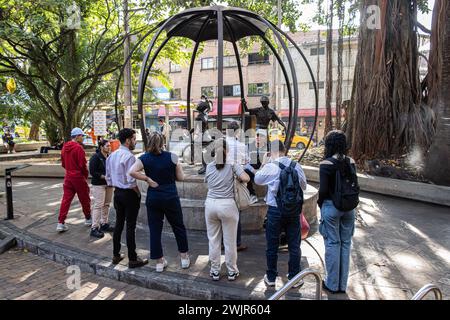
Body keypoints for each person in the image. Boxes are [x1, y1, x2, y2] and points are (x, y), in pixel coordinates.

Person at [128, 132, 190, 272]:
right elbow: (181, 178)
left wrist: (147, 179)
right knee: (178, 227)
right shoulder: (172, 157)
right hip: (170, 196)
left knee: (155, 230)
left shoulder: (144, 158)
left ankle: (159, 262)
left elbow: (132, 172)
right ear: (163, 142)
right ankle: (184, 257)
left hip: (154, 197)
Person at [255, 140, 307, 287]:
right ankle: (294, 277)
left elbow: (257, 179)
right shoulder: (296, 166)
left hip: (275, 211)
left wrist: (265, 163)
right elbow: (304, 185)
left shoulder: (271, 167)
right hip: (293, 211)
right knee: (294, 245)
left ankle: (271, 277)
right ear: (285, 151)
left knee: (272, 245)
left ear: (271, 152)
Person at [317, 130, 358, 294]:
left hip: (331, 207)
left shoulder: (325, 164)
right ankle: (342, 285)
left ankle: (332, 284)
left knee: (333, 243)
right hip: (350, 208)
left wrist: (321, 205)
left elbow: (324, 190)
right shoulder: (351, 162)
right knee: (346, 244)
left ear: (329, 144)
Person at [204, 139, 250, 281]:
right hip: (228, 206)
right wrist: (239, 178)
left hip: (211, 204)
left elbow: (207, 183)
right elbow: (246, 178)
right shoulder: (232, 165)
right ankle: (231, 271)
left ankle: (215, 271)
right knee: (230, 242)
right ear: (227, 150)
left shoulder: (209, 166)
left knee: (213, 240)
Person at [106, 128, 148, 268]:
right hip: (129, 194)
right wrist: (137, 193)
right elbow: (131, 181)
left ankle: (116, 254)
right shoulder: (129, 157)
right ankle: (132, 258)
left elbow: (109, 179)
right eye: (134, 139)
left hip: (117, 193)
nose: (135, 142)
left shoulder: (112, 155)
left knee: (119, 224)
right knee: (130, 226)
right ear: (128, 140)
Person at [56, 128, 92, 232]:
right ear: (77, 136)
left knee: (66, 199)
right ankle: (88, 218)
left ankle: (60, 222)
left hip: (68, 176)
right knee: (84, 198)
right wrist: (85, 175)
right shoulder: (78, 148)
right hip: (78, 176)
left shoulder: (64, 147)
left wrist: (69, 170)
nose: (83, 138)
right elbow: (83, 165)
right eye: (82, 136)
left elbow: (63, 163)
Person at [89, 139, 114, 238]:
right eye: (107, 146)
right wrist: (104, 177)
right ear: (101, 147)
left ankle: (104, 223)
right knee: (98, 205)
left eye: (109, 146)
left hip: (109, 184)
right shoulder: (95, 157)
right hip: (99, 184)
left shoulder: (109, 157)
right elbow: (93, 172)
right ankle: (94, 227)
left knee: (107, 204)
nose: (109, 147)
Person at [244, 129, 267, 202]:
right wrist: (253, 170)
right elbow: (245, 162)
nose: (258, 137)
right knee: (245, 171)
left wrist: (261, 169)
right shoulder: (248, 146)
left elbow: (270, 162)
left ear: (265, 138)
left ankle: (269, 194)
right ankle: (252, 194)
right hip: (252, 171)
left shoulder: (268, 148)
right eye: (257, 135)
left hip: (264, 171)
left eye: (261, 136)